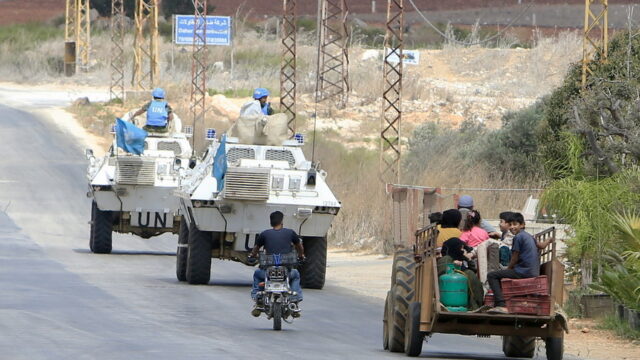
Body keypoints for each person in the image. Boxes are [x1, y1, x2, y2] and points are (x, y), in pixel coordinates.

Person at [248, 211, 305, 316]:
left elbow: (256, 249)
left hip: (268, 272)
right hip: (286, 272)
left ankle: (258, 299)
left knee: (257, 274)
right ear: (282, 221)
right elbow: (299, 246)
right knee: (295, 274)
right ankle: (294, 301)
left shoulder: (264, 234)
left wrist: (252, 256)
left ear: (271, 222)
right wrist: (301, 256)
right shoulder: (290, 233)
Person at [487, 212, 540, 314]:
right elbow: (541, 245)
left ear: (522, 225)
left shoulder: (518, 237)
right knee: (502, 274)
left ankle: (501, 304)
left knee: (492, 275)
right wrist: (550, 240)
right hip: (532, 271)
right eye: (510, 225)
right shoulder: (529, 236)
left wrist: (508, 268)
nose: (512, 227)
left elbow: (515, 258)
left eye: (515, 224)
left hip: (523, 272)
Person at [438, 238, 484, 310]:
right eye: (461, 248)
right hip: (451, 294)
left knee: (470, 273)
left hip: (463, 293)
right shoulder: (445, 259)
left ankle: (477, 305)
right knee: (469, 273)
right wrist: (453, 265)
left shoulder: (460, 258)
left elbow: (473, 270)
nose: (462, 250)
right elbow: (444, 273)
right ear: (455, 248)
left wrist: (468, 259)